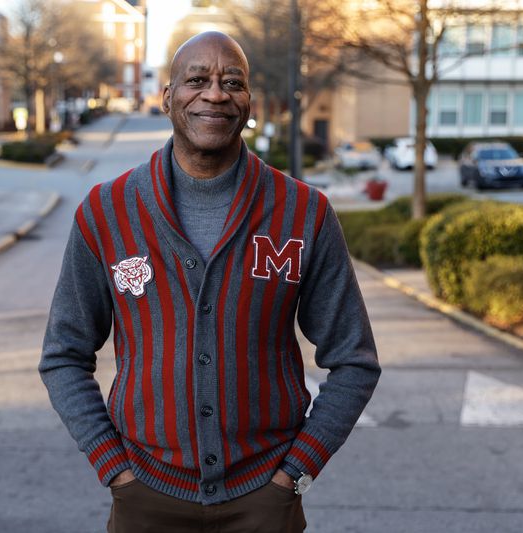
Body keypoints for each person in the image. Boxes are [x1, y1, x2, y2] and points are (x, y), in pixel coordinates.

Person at [39, 31, 381, 532]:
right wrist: (114, 469)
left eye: (232, 82)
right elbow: (64, 354)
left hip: (265, 499)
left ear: (249, 102)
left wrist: (297, 471)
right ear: (168, 97)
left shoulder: (304, 213)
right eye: (196, 80)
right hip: (145, 499)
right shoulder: (106, 211)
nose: (215, 94)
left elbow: (354, 360)